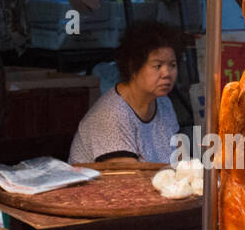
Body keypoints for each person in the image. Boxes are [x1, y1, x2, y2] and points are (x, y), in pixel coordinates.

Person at [68, 22, 182, 164]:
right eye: (157, 66)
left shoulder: (163, 103)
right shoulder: (111, 116)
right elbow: (127, 179)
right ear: (133, 67)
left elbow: (180, 160)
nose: (166, 73)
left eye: (172, 65)